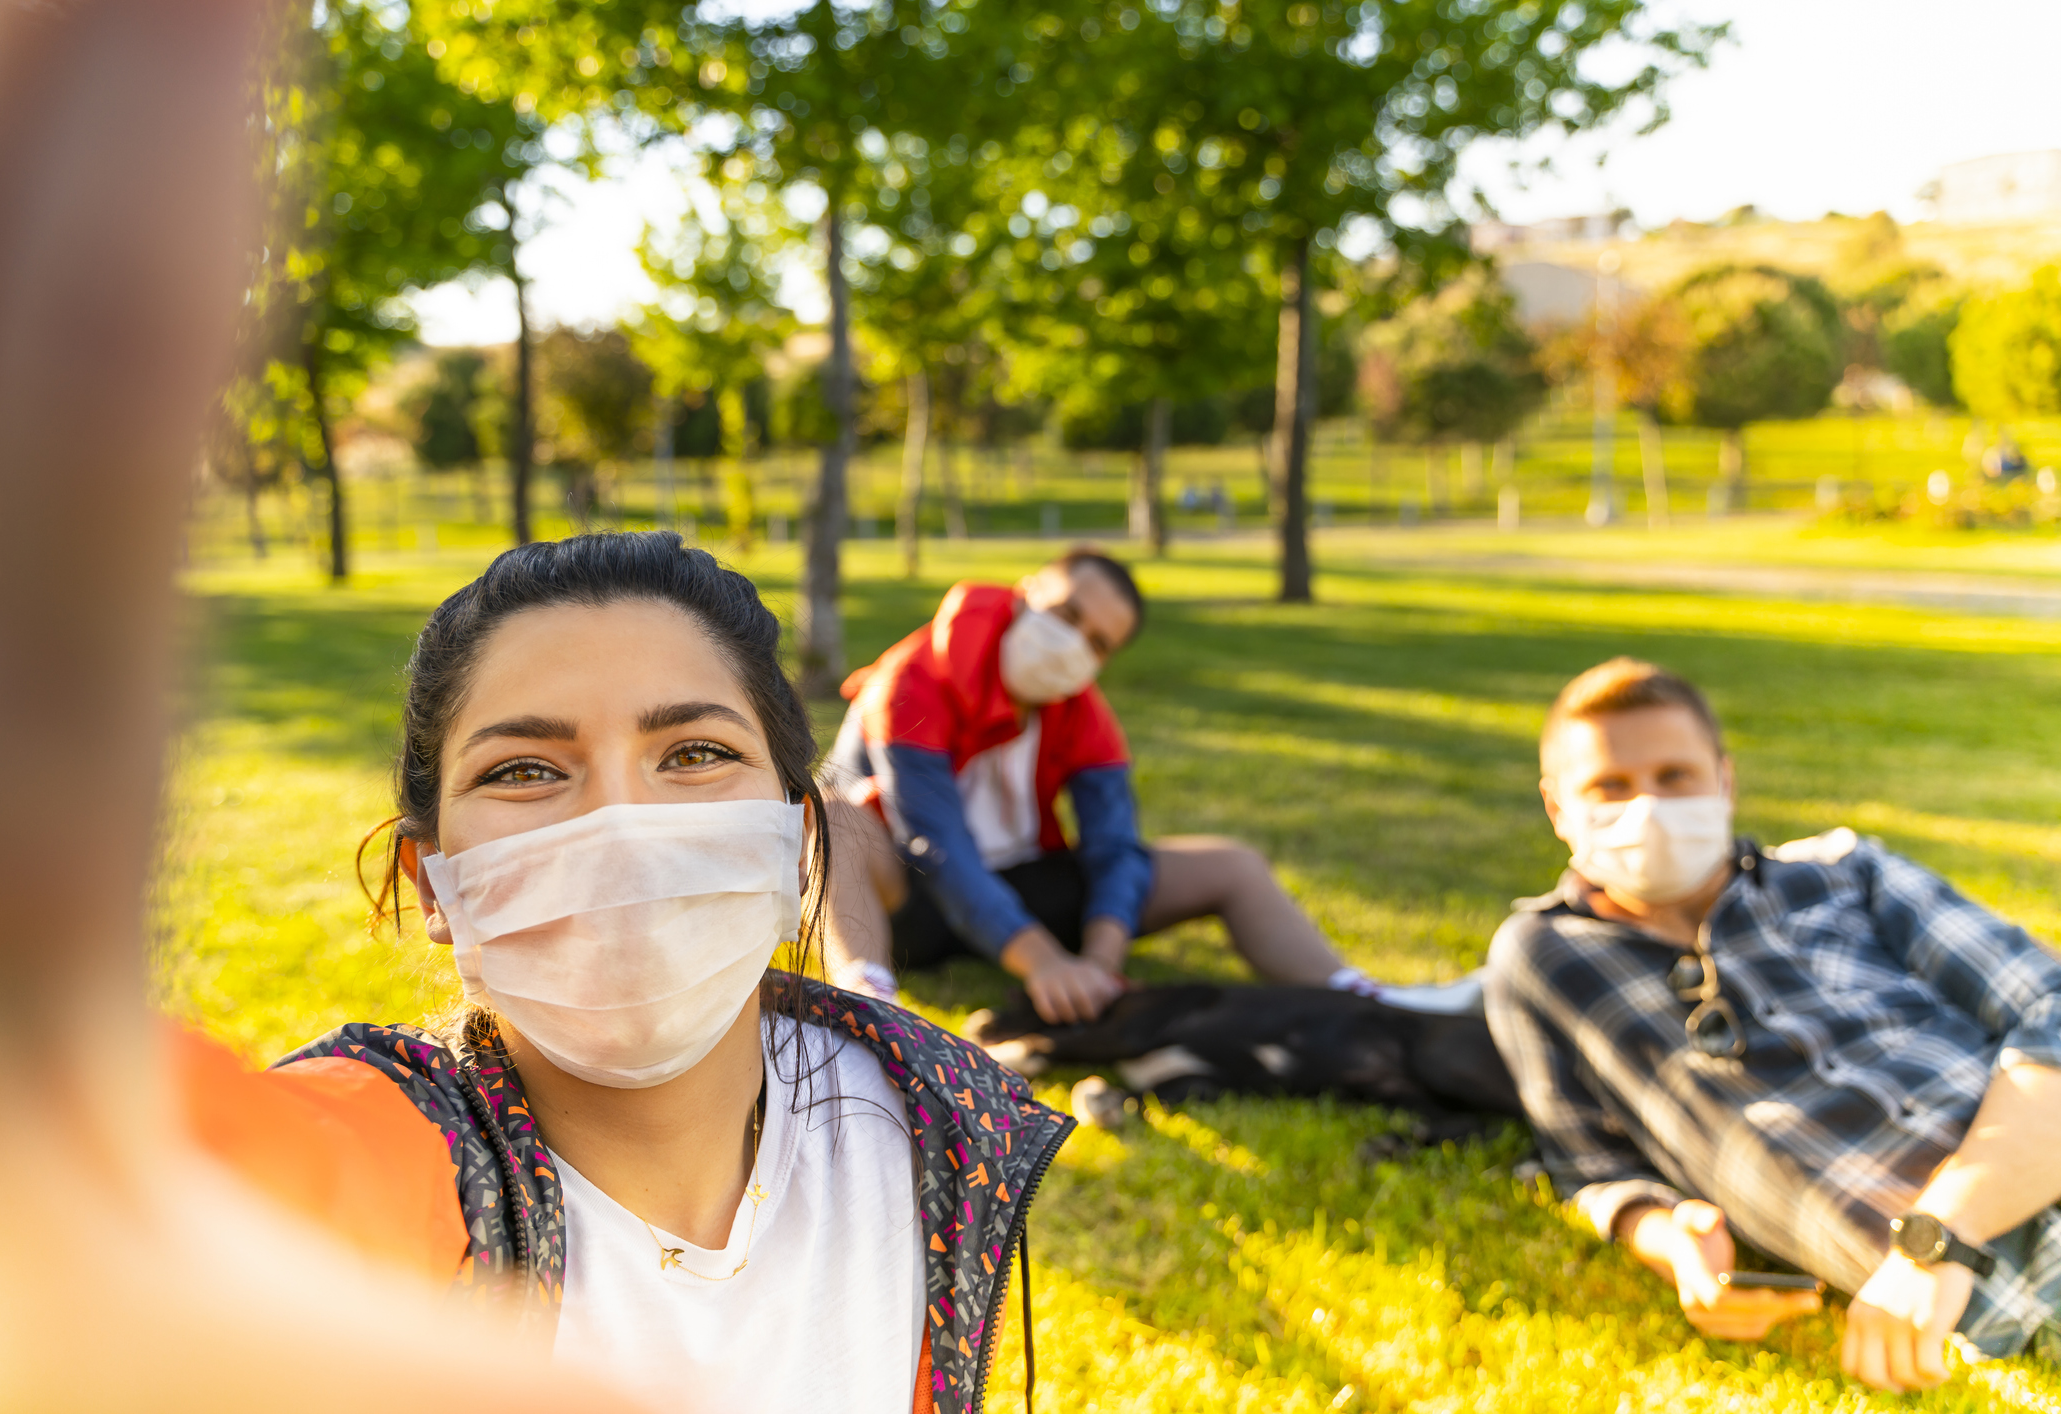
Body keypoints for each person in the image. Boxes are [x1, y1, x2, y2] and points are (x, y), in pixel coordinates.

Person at [267, 533, 1072, 1414]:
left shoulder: (933, 1128)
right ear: (434, 884)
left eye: (694, 754)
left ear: (798, 840)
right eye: (525, 770)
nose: (623, 828)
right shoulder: (364, 1161)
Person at [1485, 657, 2061, 1393]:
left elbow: (2050, 1005)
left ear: (1723, 781)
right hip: (2003, 1304)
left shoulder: (1846, 872)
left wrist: (1937, 1240)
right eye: (1610, 787)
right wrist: (1674, 1244)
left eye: (1674, 777)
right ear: (1556, 808)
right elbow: (1588, 1166)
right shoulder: (1544, 960)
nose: (1647, 810)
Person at [822, 549, 1394, 1025]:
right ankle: (868, 1000)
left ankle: (1364, 998)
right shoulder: (913, 678)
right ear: (1024, 594)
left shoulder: (1084, 712)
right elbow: (935, 843)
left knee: (1233, 864)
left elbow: (1115, 845)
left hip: (1022, 882)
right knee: (832, 815)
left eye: (1097, 643)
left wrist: (1100, 960)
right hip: (908, 900)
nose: (1073, 644)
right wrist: (1043, 961)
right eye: (1066, 615)